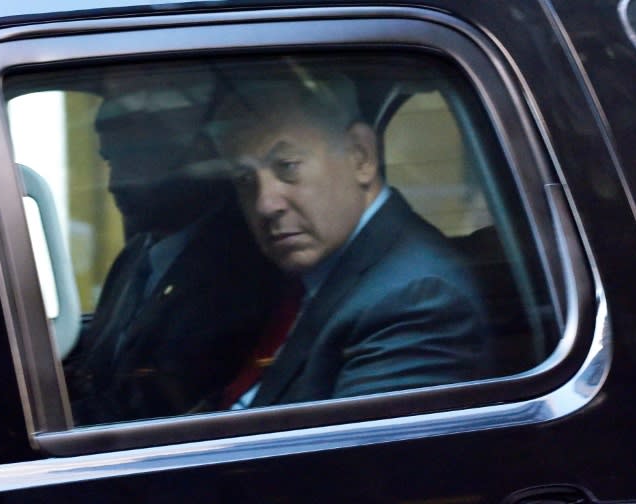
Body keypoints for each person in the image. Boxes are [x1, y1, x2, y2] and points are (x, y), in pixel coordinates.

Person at [208, 61, 493, 408]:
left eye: (287, 166)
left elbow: (361, 458)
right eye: (245, 180)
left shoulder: (415, 300)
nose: (265, 204)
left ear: (361, 156)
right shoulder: (306, 277)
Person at [64, 78, 280, 424]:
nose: (114, 183)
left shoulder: (236, 272)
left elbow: (153, 412)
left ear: (192, 158)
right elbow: (99, 371)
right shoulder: (137, 255)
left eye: (132, 163)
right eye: (109, 162)